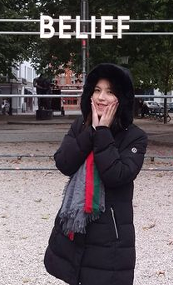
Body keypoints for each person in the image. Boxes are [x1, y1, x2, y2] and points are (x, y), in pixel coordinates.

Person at [44, 63, 147, 285]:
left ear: (121, 98)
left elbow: (117, 175)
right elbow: (64, 163)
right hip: (76, 224)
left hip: (110, 232)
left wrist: (102, 132)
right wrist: (90, 131)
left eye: (110, 92)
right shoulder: (80, 125)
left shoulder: (135, 137)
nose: (101, 97)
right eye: (97, 90)